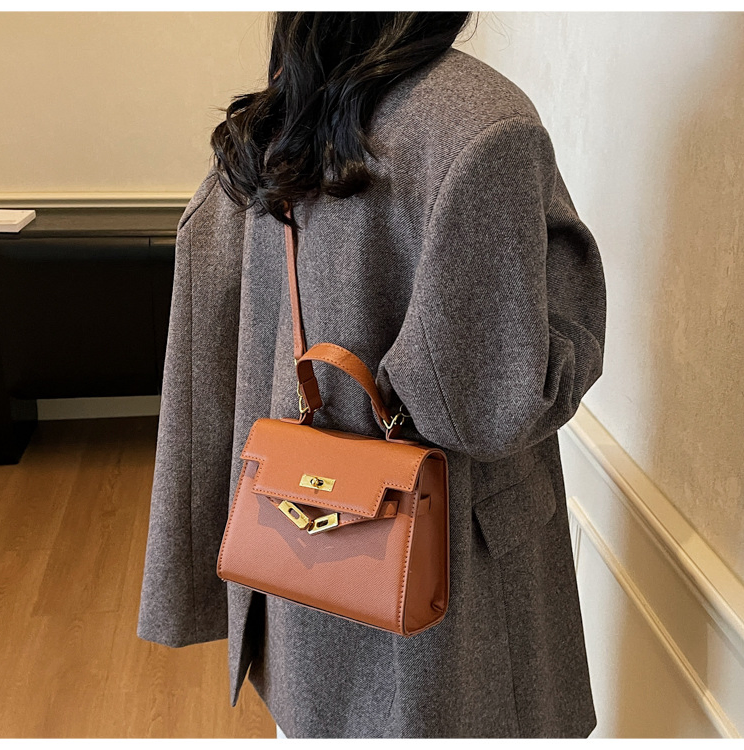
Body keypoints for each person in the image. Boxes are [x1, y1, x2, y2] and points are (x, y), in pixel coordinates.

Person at [137, 11, 607, 739]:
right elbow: (486, 405)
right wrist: (571, 330)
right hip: (446, 596)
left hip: (297, 556)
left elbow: (212, 333)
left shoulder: (280, 113)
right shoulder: (483, 125)